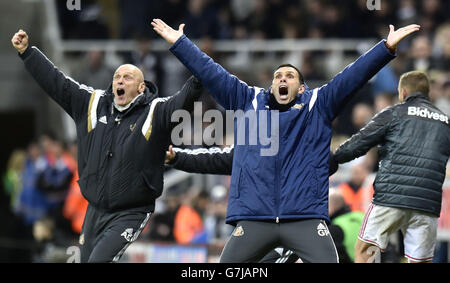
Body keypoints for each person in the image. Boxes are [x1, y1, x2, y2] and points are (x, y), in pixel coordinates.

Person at [153, 18, 420, 262]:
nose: (282, 78)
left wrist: (385, 48)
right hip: (255, 218)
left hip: (303, 218)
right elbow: (211, 72)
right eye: (278, 76)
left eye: (289, 76)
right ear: (272, 86)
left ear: (301, 88)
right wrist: (180, 43)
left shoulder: (318, 104)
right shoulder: (248, 101)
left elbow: (353, 76)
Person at [12, 29, 204, 262]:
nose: (120, 81)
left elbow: (186, 97)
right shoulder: (91, 103)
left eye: (127, 77)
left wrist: (196, 63)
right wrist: (27, 53)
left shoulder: (156, 111)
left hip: (130, 211)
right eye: (116, 77)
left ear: (141, 88)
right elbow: (57, 82)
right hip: (94, 210)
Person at [332, 71, 450, 263]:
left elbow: (358, 143)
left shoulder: (394, 113)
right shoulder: (445, 122)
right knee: (420, 261)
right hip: (426, 203)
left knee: (365, 251)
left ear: (403, 92)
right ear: (427, 92)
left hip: (390, 198)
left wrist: (333, 158)